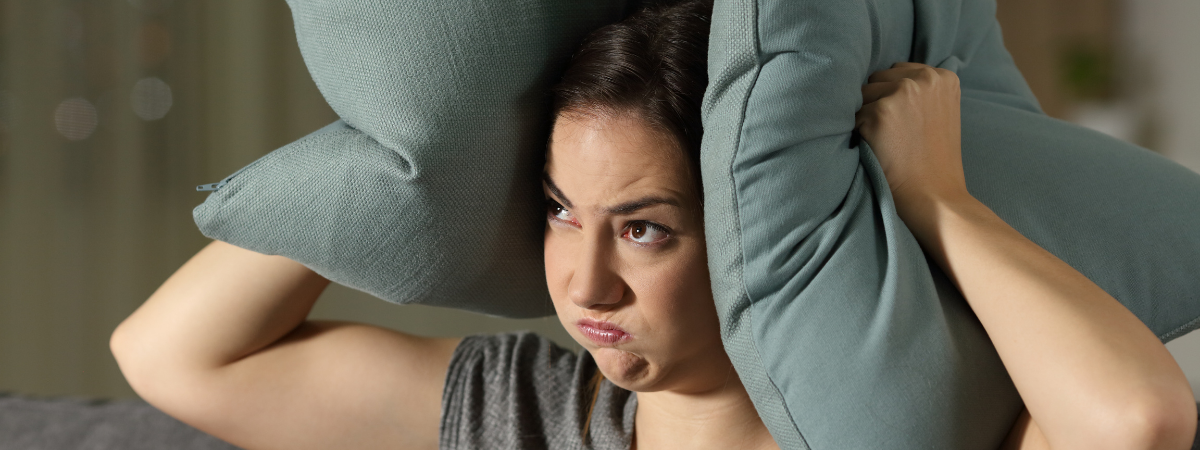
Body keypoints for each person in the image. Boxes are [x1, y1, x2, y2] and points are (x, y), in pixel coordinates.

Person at [109, 1, 1197, 449]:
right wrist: (409, 155)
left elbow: (1137, 425)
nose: (583, 287)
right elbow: (171, 355)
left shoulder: (934, 424)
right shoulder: (537, 414)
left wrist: (939, 202)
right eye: (556, 212)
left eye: (644, 229)